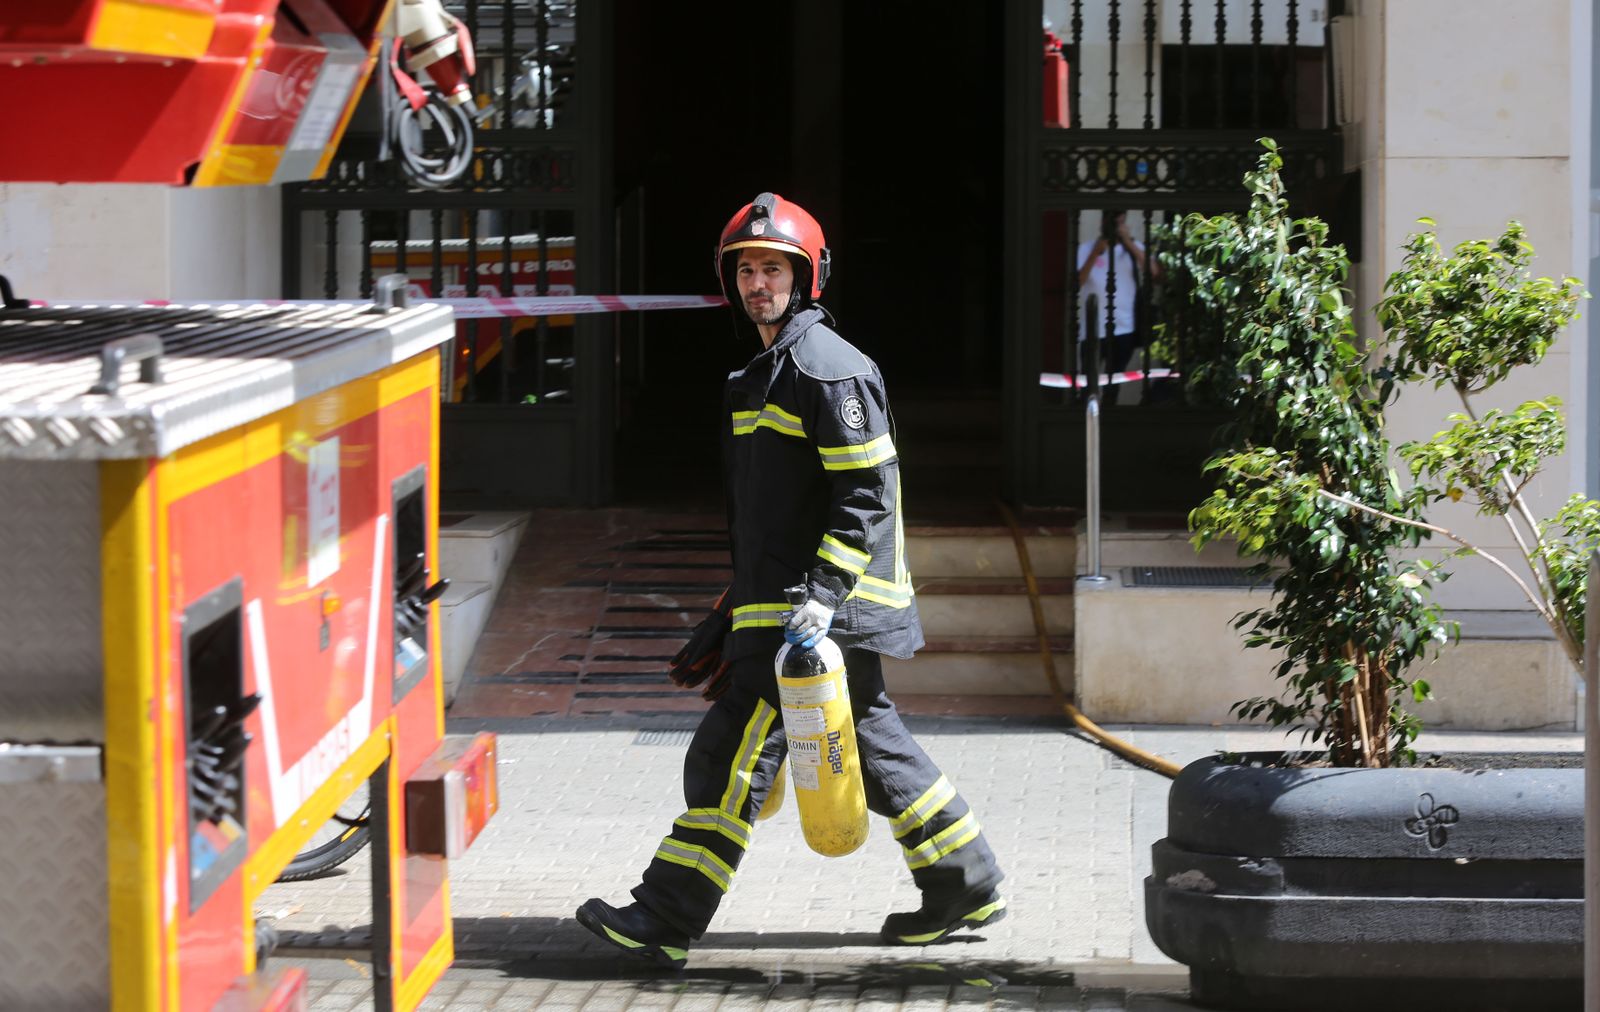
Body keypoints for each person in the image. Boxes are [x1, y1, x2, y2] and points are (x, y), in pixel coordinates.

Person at [576, 193, 1006, 969]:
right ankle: (965, 882)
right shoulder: (768, 373)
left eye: (773, 269)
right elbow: (773, 512)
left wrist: (822, 594)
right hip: (789, 606)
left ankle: (666, 915)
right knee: (874, 748)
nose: (757, 284)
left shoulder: (826, 369)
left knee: (729, 757)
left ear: (807, 278)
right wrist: (735, 605)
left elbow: (866, 493)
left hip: (820, 613)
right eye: (746, 270)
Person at [1075, 209, 1156, 402]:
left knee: (1113, 387)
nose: (1114, 228)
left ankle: (1108, 416)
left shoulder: (1133, 248)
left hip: (1123, 328)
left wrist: (1128, 242)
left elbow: (1154, 273)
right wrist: (1096, 251)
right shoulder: (1087, 249)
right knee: (1087, 385)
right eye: (1111, 222)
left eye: (1119, 223)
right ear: (1102, 222)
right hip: (1092, 330)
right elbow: (1076, 282)